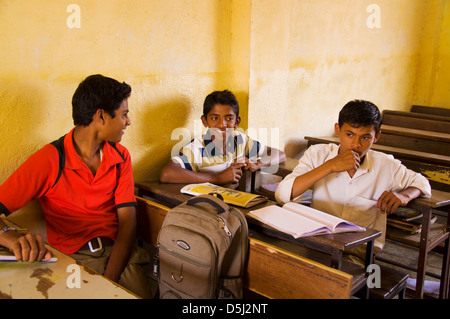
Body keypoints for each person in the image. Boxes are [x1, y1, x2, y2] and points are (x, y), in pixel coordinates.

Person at [0, 74, 153, 298]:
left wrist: (108, 281)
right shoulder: (50, 160)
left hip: (120, 256)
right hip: (74, 261)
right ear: (101, 116)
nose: (128, 122)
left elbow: (128, 223)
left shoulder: (121, 157)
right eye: (124, 114)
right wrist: (7, 235)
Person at [275, 100, 431, 263]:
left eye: (365, 137)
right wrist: (330, 166)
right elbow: (283, 194)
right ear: (337, 130)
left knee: (334, 279)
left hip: (359, 251)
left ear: (376, 137)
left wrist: (405, 195)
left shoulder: (386, 165)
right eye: (349, 135)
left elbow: (422, 182)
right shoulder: (318, 154)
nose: (356, 144)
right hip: (317, 241)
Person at [159, 90, 286, 186]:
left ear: (237, 122)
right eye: (215, 118)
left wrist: (258, 164)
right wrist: (217, 178)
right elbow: (167, 173)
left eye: (229, 118)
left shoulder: (241, 140)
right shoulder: (197, 148)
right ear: (205, 121)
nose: (222, 124)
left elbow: (279, 154)